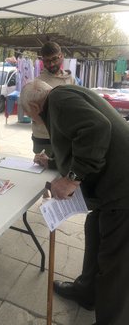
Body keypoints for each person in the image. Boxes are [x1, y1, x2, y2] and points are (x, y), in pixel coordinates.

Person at [20, 79, 129, 325]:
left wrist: (72, 179)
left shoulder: (58, 101)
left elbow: (97, 129)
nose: (33, 121)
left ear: (35, 107)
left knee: (115, 265)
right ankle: (86, 291)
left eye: (29, 115)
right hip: (111, 187)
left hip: (123, 189)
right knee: (95, 230)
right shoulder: (63, 97)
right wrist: (52, 163)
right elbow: (79, 140)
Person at [32, 41, 77, 158]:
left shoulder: (70, 79)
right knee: (44, 172)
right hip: (44, 137)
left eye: (54, 59)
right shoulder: (37, 83)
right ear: (42, 60)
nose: (51, 64)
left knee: (63, 171)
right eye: (47, 61)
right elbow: (31, 112)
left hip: (65, 135)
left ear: (61, 56)